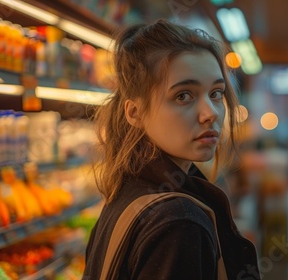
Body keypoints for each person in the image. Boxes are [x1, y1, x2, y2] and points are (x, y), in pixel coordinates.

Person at [83, 20, 260, 279]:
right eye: (183, 96)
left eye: (216, 93)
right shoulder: (178, 223)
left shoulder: (127, 192)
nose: (210, 113)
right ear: (135, 112)